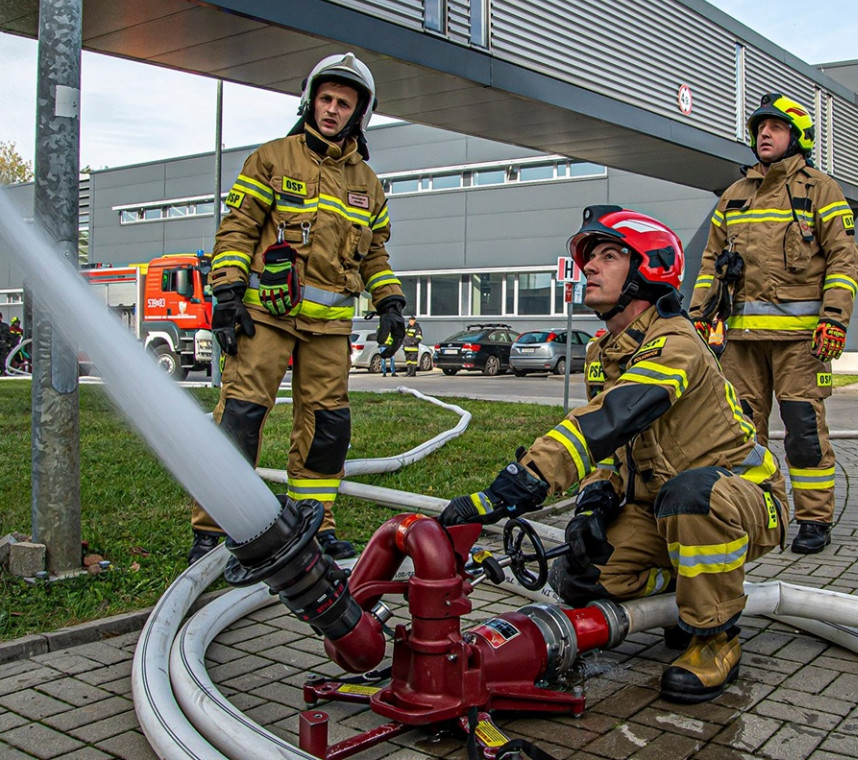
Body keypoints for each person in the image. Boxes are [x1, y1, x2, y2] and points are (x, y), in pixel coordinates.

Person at [440, 206, 789, 704]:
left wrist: (522, 481)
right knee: (584, 575)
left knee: (690, 496)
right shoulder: (605, 352)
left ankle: (715, 637)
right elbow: (610, 450)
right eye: (588, 259)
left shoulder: (676, 342)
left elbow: (615, 417)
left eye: (608, 256)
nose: (590, 268)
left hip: (741, 501)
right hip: (659, 508)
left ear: (648, 268)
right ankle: (682, 586)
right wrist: (592, 500)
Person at [189, 53, 406, 564]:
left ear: (359, 114)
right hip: (266, 315)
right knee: (241, 416)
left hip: (329, 329)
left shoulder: (369, 185)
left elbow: (374, 252)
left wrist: (390, 301)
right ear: (311, 100)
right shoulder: (272, 158)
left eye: (343, 104)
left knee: (328, 427)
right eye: (326, 99)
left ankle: (314, 523)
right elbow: (239, 227)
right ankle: (213, 529)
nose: (332, 110)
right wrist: (226, 292)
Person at [688, 92, 858, 556]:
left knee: (804, 431)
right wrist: (700, 317)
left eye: (775, 127)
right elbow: (710, 264)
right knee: (741, 432)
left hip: (801, 343)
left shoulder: (819, 189)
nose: (763, 133)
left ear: (796, 136)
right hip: (742, 342)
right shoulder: (734, 195)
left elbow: (845, 259)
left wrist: (834, 319)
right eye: (759, 127)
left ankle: (813, 519)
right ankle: (754, 513)